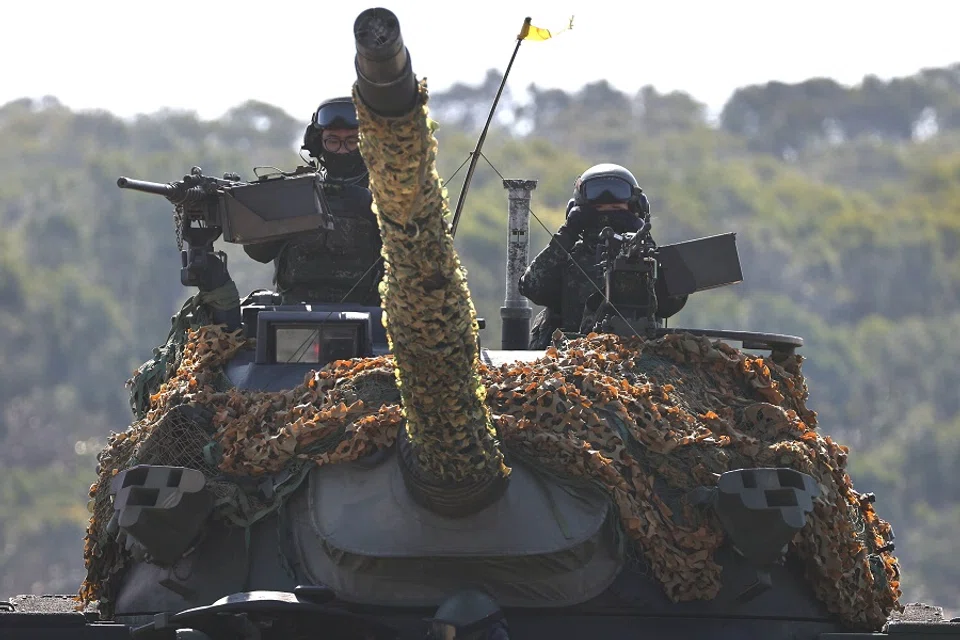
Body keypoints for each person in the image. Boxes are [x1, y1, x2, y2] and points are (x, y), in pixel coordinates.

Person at [518, 163, 688, 349]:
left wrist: (644, 241)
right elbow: (532, 287)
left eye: (616, 208)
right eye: (598, 208)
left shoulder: (646, 257)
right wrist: (567, 233)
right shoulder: (566, 257)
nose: (608, 216)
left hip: (638, 356)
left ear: (635, 210)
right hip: (570, 360)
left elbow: (671, 302)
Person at [243, 96, 383, 306]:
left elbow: (413, 256)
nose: (342, 150)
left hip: (371, 314)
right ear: (318, 143)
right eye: (333, 141)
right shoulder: (298, 189)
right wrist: (284, 210)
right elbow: (258, 251)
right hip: (294, 313)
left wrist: (372, 208)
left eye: (352, 141)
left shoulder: (389, 196)